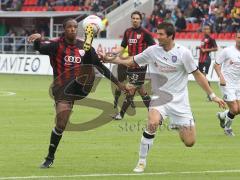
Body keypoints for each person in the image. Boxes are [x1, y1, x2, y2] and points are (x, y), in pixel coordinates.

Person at [101, 22, 226, 172]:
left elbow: (198, 75)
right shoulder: (152, 51)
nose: (157, 37)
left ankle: (177, 123)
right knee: (152, 123)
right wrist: (111, 60)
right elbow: (131, 61)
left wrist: (212, 95)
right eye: (157, 33)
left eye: (161, 34)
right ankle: (141, 161)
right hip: (159, 97)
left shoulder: (183, 53)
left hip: (180, 101)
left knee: (189, 142)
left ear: (170, 36)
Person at [27, 18, 126, 168]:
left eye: (75, 27)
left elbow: (101, 67)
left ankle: (88, 48)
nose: (73, 29)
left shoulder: (81, 45)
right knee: (61, 124)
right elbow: (39, 47)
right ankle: (49, 157)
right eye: (70, 27)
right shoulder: (55, 45)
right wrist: (37, 39)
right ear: (64, 29)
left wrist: (118, 83)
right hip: (63, 90)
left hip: (82, 85)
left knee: (88, 63)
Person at [112, 10, 156, 120]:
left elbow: (154, 47)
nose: (135, 20)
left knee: (131, 89)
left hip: (140, 66)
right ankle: (154, 114)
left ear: (140, 20)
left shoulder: (145, 33)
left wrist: (148, 58)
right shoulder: (127, 32)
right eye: (134, 18)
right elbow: (122, 46)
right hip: (131, 65)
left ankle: (120, 115)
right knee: (141, 91)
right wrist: (113, 53)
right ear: (131, 19)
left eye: (137, 18)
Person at [214, 31, 240, 136]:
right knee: (234, 109)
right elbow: (216, 65)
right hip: (227, 83)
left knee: (238, 110)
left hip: (238, 83)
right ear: (235, 38)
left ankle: (222, 115)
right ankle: (227, 128)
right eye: (239, 37)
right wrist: (221, 77)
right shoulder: (228, 51)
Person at [196, 24, 218, 101]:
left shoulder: (211, 39)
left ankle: (211, 95)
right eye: (204, 29)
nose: (205, 30)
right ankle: (210, 94)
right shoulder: (203, 39)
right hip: (200, 60)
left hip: (206, 60)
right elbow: (203, 47)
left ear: (210, 30)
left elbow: (216, 48)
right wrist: (199, 48)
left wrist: (206, 50)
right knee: (202, 78)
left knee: (204, 78)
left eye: (207, 29)